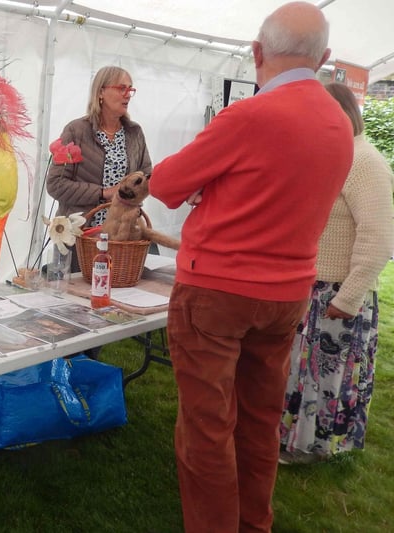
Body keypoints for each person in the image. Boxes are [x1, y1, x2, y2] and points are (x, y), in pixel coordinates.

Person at [148, 3, 354, 532]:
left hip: (216, 292)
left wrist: (210, 190)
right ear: (324, 58)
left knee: (207, 429)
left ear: (257, 53)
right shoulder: (337, 120)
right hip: (287, 293)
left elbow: (167, 184)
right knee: (260, 424)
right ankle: (252, 524)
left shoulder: (249, 114)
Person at [279, 82, 394, 465]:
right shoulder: (338, 155)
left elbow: (378, 239)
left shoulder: (366, 162)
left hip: (338, 293)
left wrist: (348, 297)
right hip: (313, 287)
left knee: (325, 377)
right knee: (303, 372)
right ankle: (295, 440)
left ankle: (310, 448)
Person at [46, 65, 153, 272]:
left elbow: (147, 178)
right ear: (101, 92)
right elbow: (55, 184)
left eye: (130, 89)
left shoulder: (134, 132)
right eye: (121, 88)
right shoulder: (76, 131)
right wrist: (103, 193)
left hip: (122, 237)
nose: (127, 95)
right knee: (80, 298)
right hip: (81, 237)